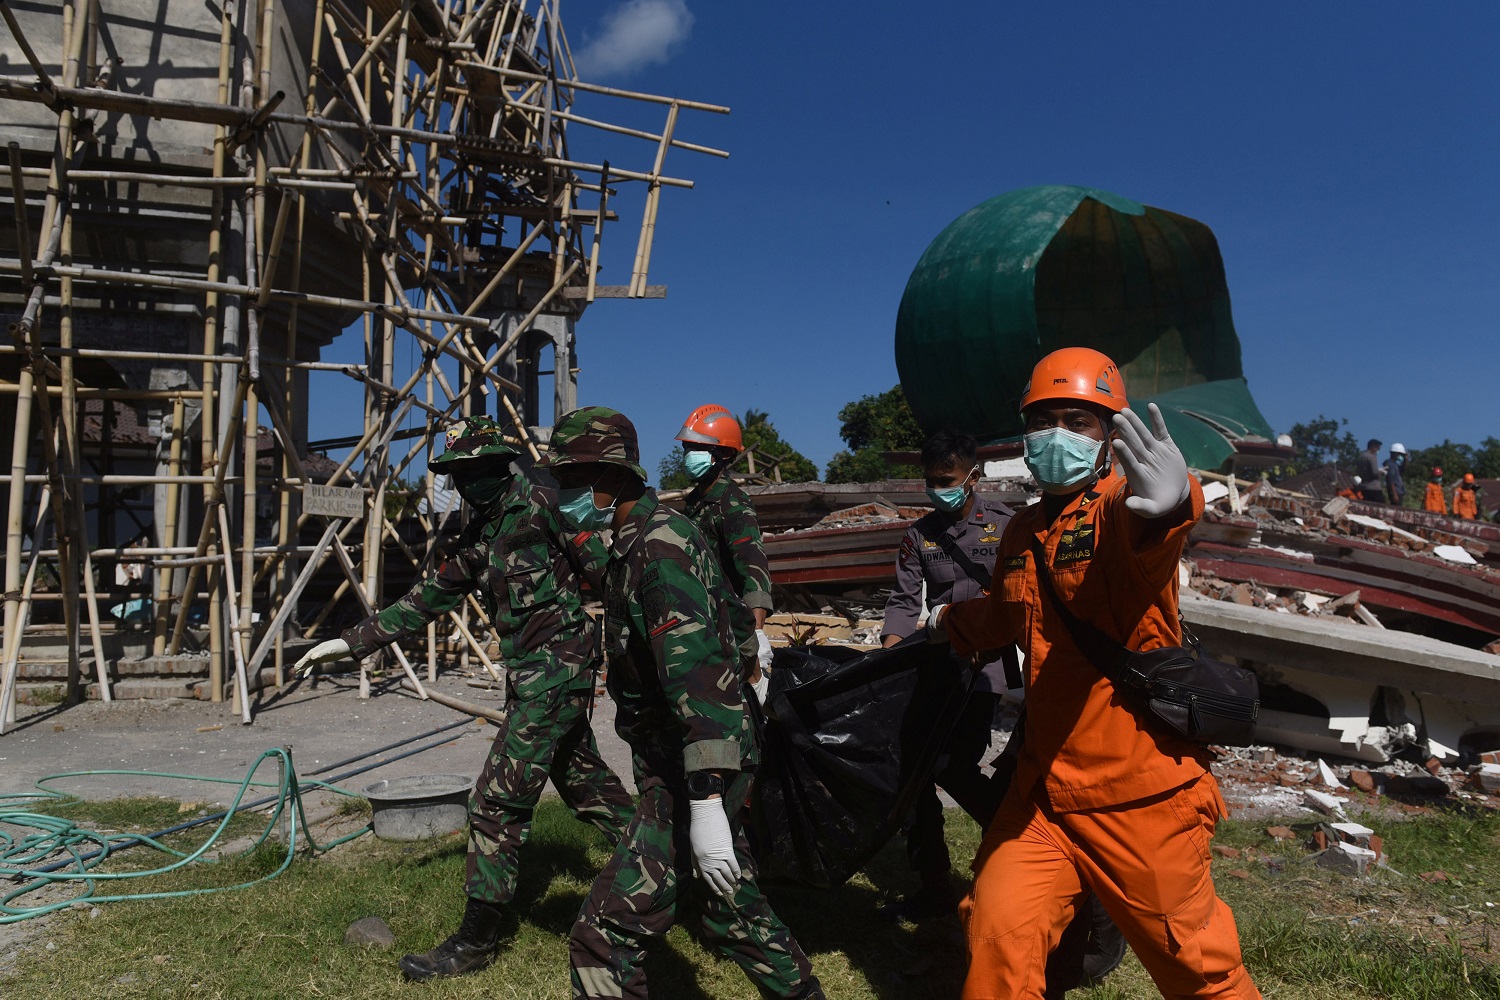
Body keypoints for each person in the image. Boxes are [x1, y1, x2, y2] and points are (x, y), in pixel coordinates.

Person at [932, 347, 1261, 999]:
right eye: (1044, 419)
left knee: (1198, 968)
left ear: (1109, 435)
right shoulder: (1023, 531)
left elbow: (1153, 528)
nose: (1058, 434)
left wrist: (1172, 502)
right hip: (1044, 796)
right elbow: (1006, 615)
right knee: (996, 934)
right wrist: (944, 624)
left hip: (1139, 798)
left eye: (1077, 421)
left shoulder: (1119, 507)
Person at [295, 416, 633, 982]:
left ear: (499, 464)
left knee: (495, 804)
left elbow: (611, 576)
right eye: (457, 474)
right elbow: (429, 597)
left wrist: (644, 654)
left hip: (558, 671)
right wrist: (349, 641)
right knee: (587, 787)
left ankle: (475, 942)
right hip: (531, 676)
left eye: (475, 471)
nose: (466, 483)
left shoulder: (547, 502)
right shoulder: (479, 533)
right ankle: (678, 869)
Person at [544, 406, 824, 1000]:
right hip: (682, 762)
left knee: (605, 936)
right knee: (729, 907)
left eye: (570, 481)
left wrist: (705, 804)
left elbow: (702, 684)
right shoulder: (632, 542)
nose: (561, 494)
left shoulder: (659, 550)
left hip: (695, 768)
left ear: (612, 477)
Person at [880, 429, 1015, 916]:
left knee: (957, 766)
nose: (940, 488)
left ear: (972, 476)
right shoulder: (919, 536)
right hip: (936, 664)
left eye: (948, 479)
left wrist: (988, 639)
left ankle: (1011, 852)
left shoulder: (1006, 527)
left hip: (987, 670)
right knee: (915, 774)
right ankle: (933, 882)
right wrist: (888, 658)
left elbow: (1017, 599)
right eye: (932, 481)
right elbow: (902, 600)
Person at [674, 404, 775, 700]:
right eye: (688, 447)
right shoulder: (694, 502)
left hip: (733, 627)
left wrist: (756, 634)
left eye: (699, 447)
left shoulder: (733, 504)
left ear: (725, 454)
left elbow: (753, 568)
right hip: (702, 622)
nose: (689, 454)